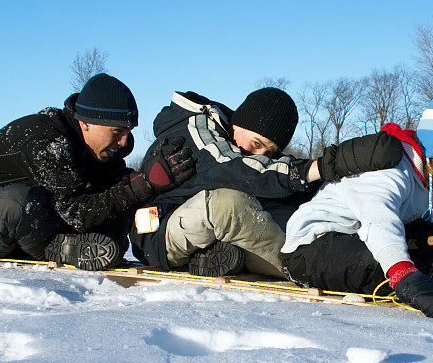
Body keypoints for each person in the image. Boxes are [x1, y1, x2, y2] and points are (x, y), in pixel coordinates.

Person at [130, 87, 404, 278]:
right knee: (228, 203)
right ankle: (310, 268)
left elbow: (270, 177)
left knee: (286, 206)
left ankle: (371, 256)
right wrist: (322, 166)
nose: (260, 154)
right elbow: (233, 169)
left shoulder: (240, 145)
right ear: (239, 123)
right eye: (258, 143)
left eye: (269, 151)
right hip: (154, 233)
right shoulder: (197, 130)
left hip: (204, 235)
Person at [280, 95, 433, 319]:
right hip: (311, 248)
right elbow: (379, 222)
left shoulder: (426, 175)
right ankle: (421, 278)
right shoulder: (389, 170)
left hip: (354, 237)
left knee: (429, 232)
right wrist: (404, 276)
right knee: (378, 266)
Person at [0, 73, 195, 271]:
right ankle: (59, 249)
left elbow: (119, 194)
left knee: (120, 208)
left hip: (37, 224)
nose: (124, 142)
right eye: (117, 131)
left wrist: (154, 183)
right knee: (20, 202)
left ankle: (167, 247)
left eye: (127, 132)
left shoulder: (100, 149)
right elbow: (75, 212)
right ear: (86, 122)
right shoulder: (45, 139)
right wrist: (140, 185)